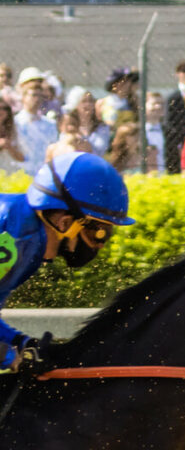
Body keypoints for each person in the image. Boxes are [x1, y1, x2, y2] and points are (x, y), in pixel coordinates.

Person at [0, 149, 136, 367]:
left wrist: (22, 343)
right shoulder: (16, 240)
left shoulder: (28, 238)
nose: (100, 245)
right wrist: (9, 357)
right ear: (64, 223)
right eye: (99, 233)